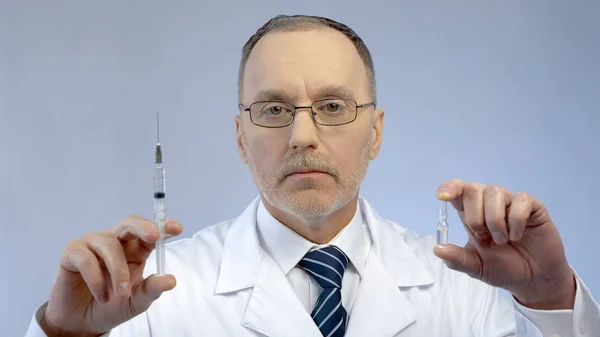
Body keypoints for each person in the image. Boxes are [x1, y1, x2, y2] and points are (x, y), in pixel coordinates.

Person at [25, 14, 599, 337]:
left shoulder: (466, 291)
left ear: (375, 132)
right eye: (273, 109)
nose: (302, 135)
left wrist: (548, 297)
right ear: (240, 138)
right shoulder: (156, 298)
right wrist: (63, 334)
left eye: (332, 106)